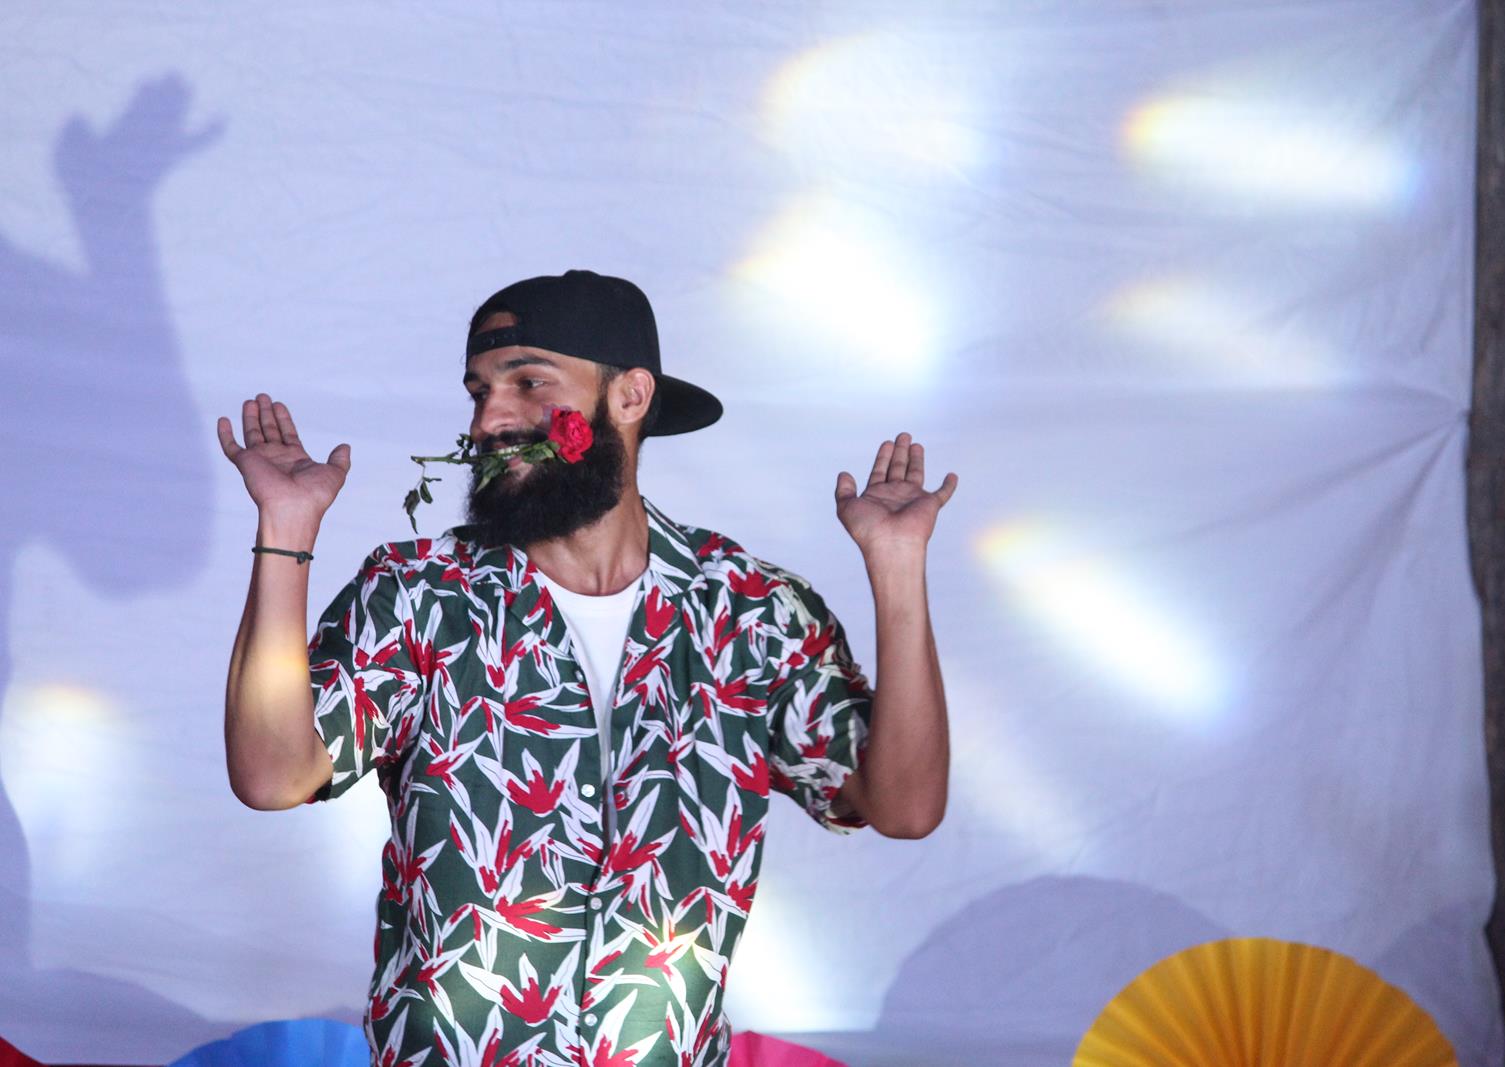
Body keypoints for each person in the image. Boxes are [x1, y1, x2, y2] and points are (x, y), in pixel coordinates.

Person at [218, 270, 956, 1067]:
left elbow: (905, 806)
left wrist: (897, 567)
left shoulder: (748, 610)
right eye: (479, 391)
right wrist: (285, 529)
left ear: (630, 396)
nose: (490, 419)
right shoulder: (420, 594)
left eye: (528, 382)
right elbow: (273, 775)